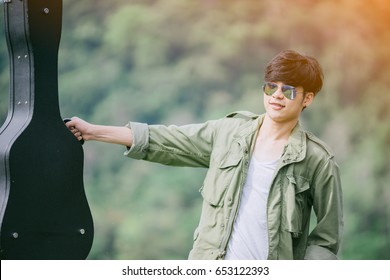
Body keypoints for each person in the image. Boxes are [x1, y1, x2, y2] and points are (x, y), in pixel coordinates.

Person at [65, 50, 343, 260]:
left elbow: (326, 240)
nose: (277, 96)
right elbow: (167, 140)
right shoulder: (230, 133)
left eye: (289, 90)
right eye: (271, 86)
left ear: (307, 99)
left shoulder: (317, 160)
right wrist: (92, 131)